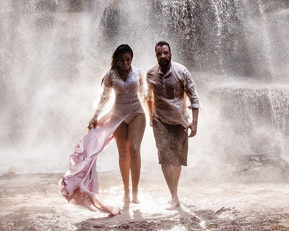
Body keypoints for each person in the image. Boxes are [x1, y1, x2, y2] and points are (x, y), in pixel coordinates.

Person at [59, 44, 147, 215]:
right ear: (116, 60)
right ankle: (126, 191)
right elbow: (104, 98)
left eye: (128, 59)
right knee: (123, 153)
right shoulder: (110, 75)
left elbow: (145, 94)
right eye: (121, 60)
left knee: (134, 149)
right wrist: (95, 117)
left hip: (137, 113)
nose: (125, 63)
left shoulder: (138, 72)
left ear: (131, 59)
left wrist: (153, 115)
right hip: (118, 116)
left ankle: (135, 191)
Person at [146, 40, 199, 210]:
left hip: (180, 121)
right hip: (160, 120)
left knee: (176, 160)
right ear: (156, 56)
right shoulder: (150, 74)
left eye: (165, 53)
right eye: (159, 53)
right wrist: (150, 117)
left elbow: (194, 98)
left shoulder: (181, 72)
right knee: (164, 156)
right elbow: (148, 97)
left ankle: (174, 193)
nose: (162, 56)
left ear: (170, 54)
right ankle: (174, 196)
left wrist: (194, 123)